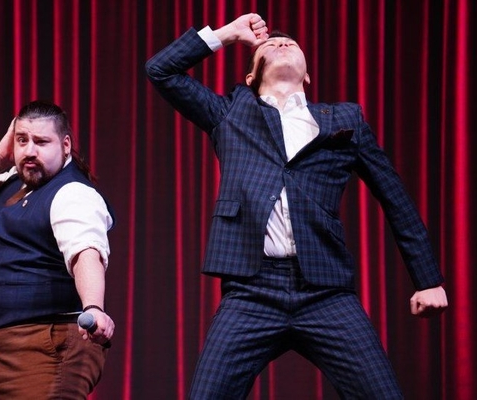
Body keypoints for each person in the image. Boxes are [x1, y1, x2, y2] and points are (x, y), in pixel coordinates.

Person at [146, 13, 448, 399]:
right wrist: (228, 34)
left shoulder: (345, 119)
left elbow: (396, 199)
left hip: (326, 291)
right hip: (251, 291)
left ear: (307, 77)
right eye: (270, 45)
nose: (282, 43)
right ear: (251, 78)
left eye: (290, 43)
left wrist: (428, 280)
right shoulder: (230, 113)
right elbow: (160, 70)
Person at [0, 100, 115, 399]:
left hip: (45, 348)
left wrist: (93, 307)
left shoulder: (73, 193)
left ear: (65, 145)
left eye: (41, 142)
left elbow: (85, 253)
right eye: (22, 140)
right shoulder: (12, 182)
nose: (29, 151)